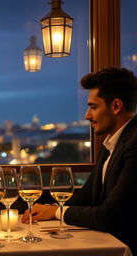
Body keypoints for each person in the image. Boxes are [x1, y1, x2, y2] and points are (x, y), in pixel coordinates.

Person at [22, 67, 137, 255]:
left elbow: (108, 217)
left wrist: (57, 212)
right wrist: (50, 209)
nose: (87, 115)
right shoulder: (113, 142)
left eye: (93, 107)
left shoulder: (134, 144)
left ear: (116, 106)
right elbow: (87, 195)